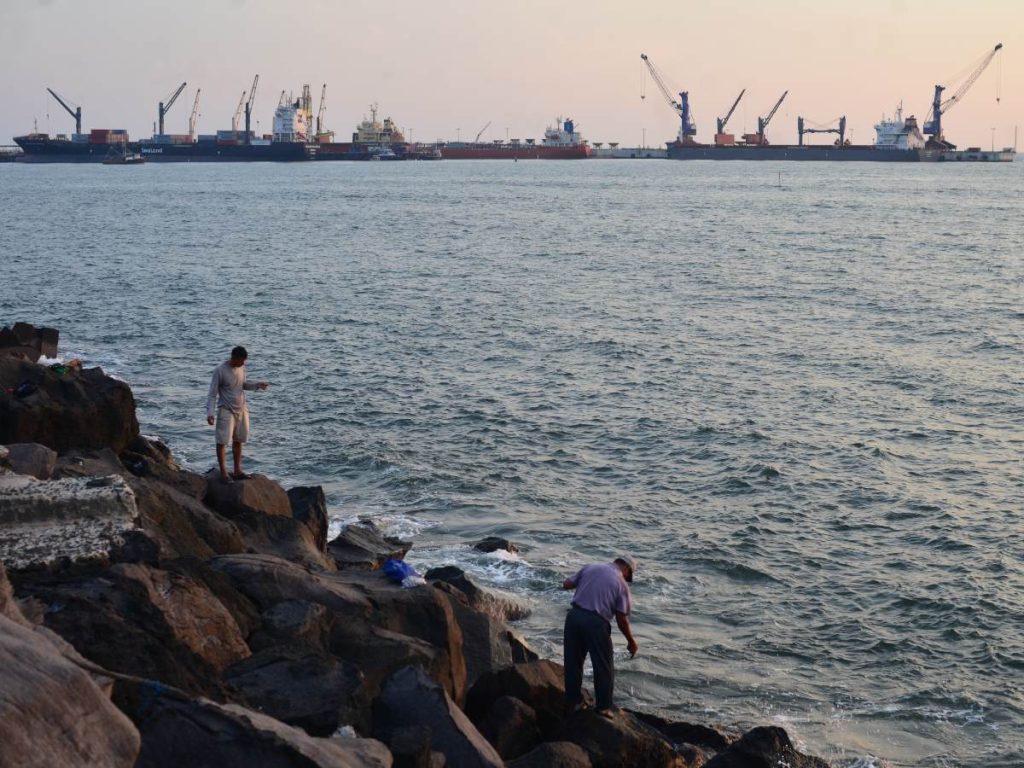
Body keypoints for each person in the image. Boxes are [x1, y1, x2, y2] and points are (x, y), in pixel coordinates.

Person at [562, 555, 639, 718]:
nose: (627, 578)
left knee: (573, 662)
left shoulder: (591, 567)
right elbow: (622, 619)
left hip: (574, 617)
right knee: (603, 666)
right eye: (628, 575)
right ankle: (603, 707)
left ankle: (573, 701)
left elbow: (566, 584)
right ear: (627, 570)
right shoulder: (621, 584)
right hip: (596, 623)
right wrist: (631, 641)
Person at [206, 346, 269, 482]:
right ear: (234, 358)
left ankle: (237, 470)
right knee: (222, 441)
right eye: (242, 361)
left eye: (244, 361)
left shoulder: (241, 368)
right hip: (226, 409)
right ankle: (223, 472)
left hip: (241, 409)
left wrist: (257, 385)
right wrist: (210, 413)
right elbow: (212, 393)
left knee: (239, 440)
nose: (243, 363)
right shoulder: (220, 370)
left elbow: (242, 385)